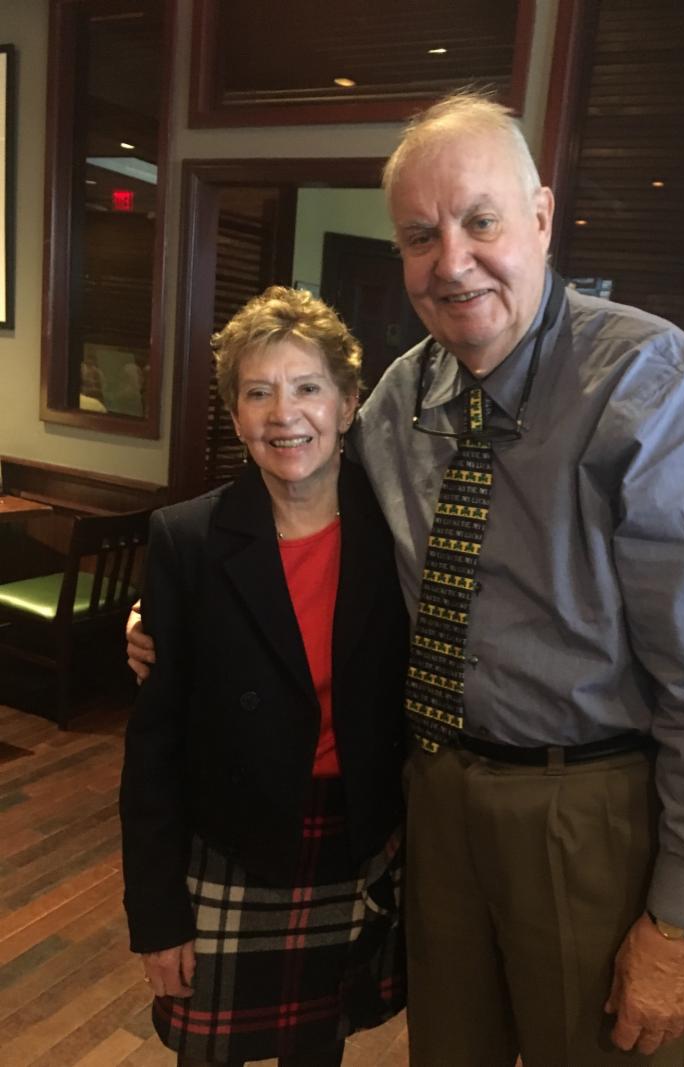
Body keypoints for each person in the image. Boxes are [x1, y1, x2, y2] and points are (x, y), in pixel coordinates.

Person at [128, 92, 684, 1065]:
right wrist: (173, 610)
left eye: (480, 221)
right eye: (420, 236)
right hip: (431, 799)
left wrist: (681, 919)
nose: (452, 261)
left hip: (595, 809)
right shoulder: (399, 399)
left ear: (541, 218)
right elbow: (300, 506)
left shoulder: (652, 389)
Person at [119, 287, 408, 1067]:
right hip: (232, 842)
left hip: (351, 842)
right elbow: (153, 751)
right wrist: (157, 916)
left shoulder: (396, 531)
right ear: (236, 414)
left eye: (308, 387)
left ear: (348, 403)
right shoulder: (186, 538)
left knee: (318, 1053)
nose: (285, 415)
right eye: (258, 392)